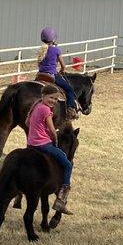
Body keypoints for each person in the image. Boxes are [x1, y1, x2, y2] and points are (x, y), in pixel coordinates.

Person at [26, 85, 73, 215]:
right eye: (51, 97)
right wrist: (54, 138)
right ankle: (61, 200)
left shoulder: (36, 106)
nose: (53, 101)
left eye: (56, 99)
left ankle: (18, 197)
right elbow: (52, 130)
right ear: (43, 95)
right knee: (68, 164)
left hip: (30, 144)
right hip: (43, 144)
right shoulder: (46, 110)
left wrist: (39, 130)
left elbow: (28, 123)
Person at [37, 27, 78, 119]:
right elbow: (63, 66)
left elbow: (39, 64)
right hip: (51, 75)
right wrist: (62, 70)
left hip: (40, 75)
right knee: (69, 90)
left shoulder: (41, 50)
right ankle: (70, 110)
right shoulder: (56, 50)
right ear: (54, 39)